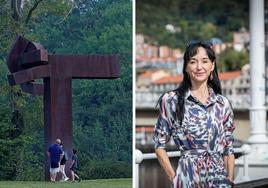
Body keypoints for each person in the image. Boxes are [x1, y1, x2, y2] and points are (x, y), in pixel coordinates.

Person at [153, 41, 236, 188]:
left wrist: (229, 179)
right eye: (193, 62)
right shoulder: (172, 100)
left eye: (204, 61)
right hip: (187, 179)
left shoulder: (222, 104)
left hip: (219, 181)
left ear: (212, 66)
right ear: (186, 67)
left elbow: (228, 147)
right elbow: (159, 145)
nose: (199, 67)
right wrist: (175, 178)